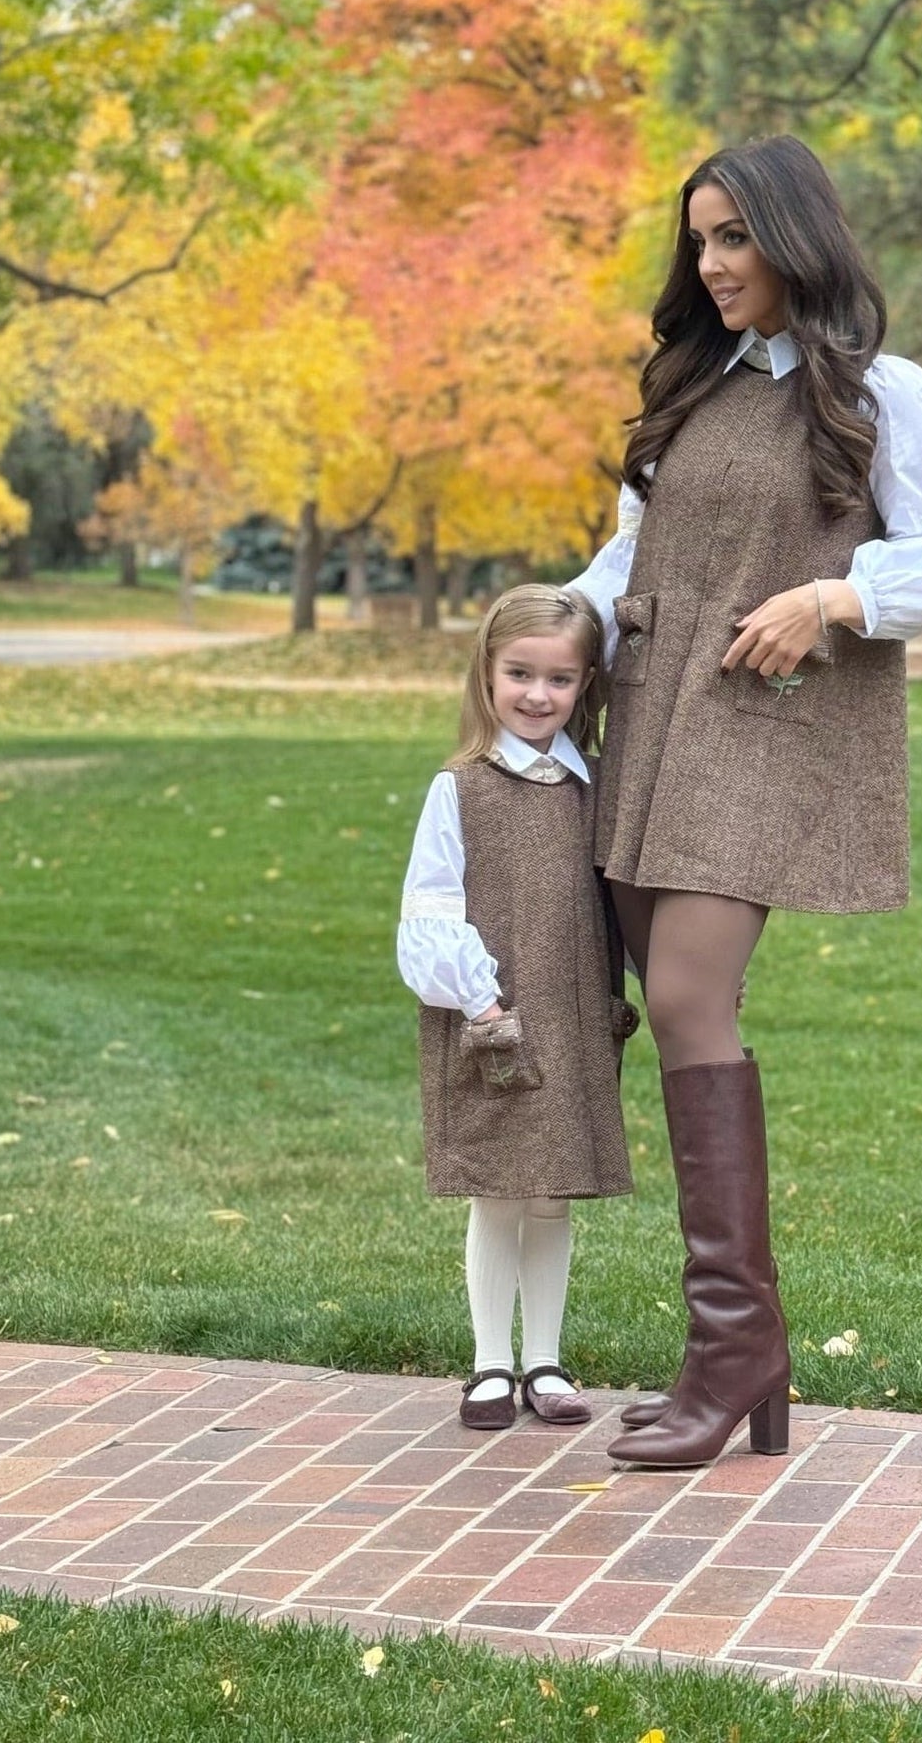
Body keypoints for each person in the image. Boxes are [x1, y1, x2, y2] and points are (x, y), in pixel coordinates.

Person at [571, 134, 922, 1468]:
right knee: (682, 1005)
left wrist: (833, 597)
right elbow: (631, 551)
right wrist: (543, 633)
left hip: (763, 721)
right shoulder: (699, 385)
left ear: (795, 238)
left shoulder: (880, 391)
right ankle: (742, 1352)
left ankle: (733, 1341)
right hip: (649, 714)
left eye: (734, 237)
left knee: (690, 998)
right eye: (699, 241)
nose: (712, 263)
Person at [397, 584, 637, 1431]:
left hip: (572, 1009)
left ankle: (547, 1359)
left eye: (560, 679)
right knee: (497, 1187)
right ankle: (489, 1363)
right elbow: (430, 903)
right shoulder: (458, 789)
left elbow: (631, 900)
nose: (538, 695)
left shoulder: (595, 789)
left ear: (586, 686)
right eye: (520, 673)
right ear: (488, 674)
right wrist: (478, 997)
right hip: (494, 1011)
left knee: (553, 1193)